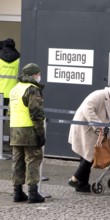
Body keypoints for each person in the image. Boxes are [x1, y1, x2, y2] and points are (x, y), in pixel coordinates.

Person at [68, 85, 110, 192]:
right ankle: (74, 179)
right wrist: (99, 124)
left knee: (86, 156)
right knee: (89, 156)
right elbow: (88, 109)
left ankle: (82, 184)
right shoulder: (98, 95)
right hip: (85, 129)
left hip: (93, 130)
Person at [8, 63, 46, 203]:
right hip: (29, 130)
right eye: (38, 74)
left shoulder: (15, 89)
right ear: (34, 75)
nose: (39, 76)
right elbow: (36, 113)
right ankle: (33, 193)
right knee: (33, 159)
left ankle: (17, 192)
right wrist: (41, 133)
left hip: (15, 129)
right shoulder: (32, 89)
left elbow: (10, 111)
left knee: (17, 161)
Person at [0, 38, 20, 114]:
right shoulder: (19, 59)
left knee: (1, 117)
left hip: (0, 92)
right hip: (14, 93)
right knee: (14, 117)